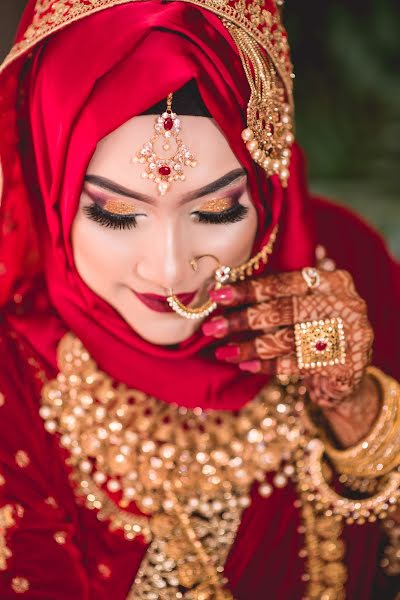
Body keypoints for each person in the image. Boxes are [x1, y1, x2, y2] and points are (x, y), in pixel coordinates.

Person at [0, 1, 399, 598]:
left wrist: (356, 408)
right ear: (51, 188)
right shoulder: (12, 372)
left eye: (217, 210)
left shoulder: (346, 267)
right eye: (114, 214)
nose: (169, 267)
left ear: (268, 184)